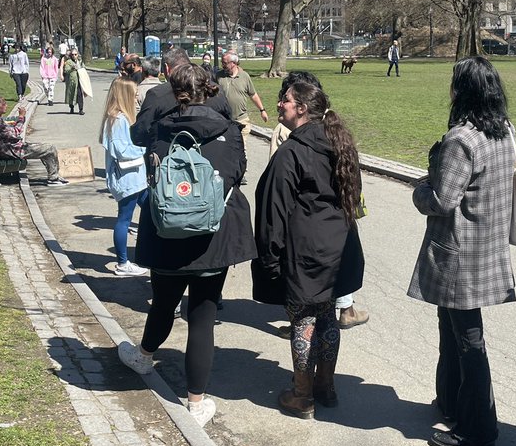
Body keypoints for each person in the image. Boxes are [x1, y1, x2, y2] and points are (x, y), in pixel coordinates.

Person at [119, 64, 255, 426]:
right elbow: (238, 172)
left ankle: (144, 357)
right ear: (210, 90)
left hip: (166, 234)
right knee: (202, 318)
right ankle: (196, 403)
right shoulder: (227, 131)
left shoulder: (159, 132)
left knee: (163, 303)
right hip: (211, 237)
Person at [407, 56, 516, 446]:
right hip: (487, 248)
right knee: (453, 332)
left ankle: (478, 428)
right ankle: (452, 402)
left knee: (469, 341)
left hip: (459, 255)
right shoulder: (503, 130)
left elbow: (441, 199)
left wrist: (420, 187)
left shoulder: (461, 140)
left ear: (463, 91)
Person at [253, 80, 364, 417]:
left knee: (303, 319)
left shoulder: (292, 153)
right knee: (327, 315)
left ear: (301, 108)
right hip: (339, 246)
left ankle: (303, 395)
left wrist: (270, 260)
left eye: (284, 100)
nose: (278, 105)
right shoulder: (339, 142)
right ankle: (325, 385)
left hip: (305, 253)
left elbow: (272, 213)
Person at [131, 48, 231, 156]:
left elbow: (139, 134)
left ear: (167, 68)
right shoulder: (215, 90)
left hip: (170, 160)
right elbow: (228, 123)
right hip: (215, 155)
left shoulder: (157, 94)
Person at [99, 78, 150, 277]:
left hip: (136, 177)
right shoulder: (118, 119)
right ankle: (122, 263)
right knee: (125, 218)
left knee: (150, 210)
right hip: (127, 177)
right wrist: (144, 148)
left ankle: (147, 252)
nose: (137, 97)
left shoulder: (120, 117)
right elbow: (122, 150)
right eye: (134, 93)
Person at [0, 96, 68, 185]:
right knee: (49, 148)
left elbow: (8, 133)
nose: (7, 106)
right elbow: (15, 133)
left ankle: (54, 176)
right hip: (13, 151)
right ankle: (54, 178)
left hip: (11, 148)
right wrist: (21, 117)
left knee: (44, 148)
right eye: (4, 104)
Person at [217, 51, 268, 146]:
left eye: (225, 63)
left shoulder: (244, 76)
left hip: (241, 120)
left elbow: (253, 95)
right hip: (223, 119)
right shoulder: (219, 76)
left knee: (240, 149)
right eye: (222, 62)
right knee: (225, 148)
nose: (222, 65)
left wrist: (262, 110)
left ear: (233, 63)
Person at [62, 47, 85, 115]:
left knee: (80, 95)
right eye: (72, 54)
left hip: (79, 81)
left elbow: (83, 67)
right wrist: (72, 68)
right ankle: (71, 108)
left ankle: (81, 109)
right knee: (71, 95)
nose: (74, 56)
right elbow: (66, 70)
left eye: (75, 54)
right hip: (72, 81)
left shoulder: (80, 61)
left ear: (77, 54)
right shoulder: (68, 62)